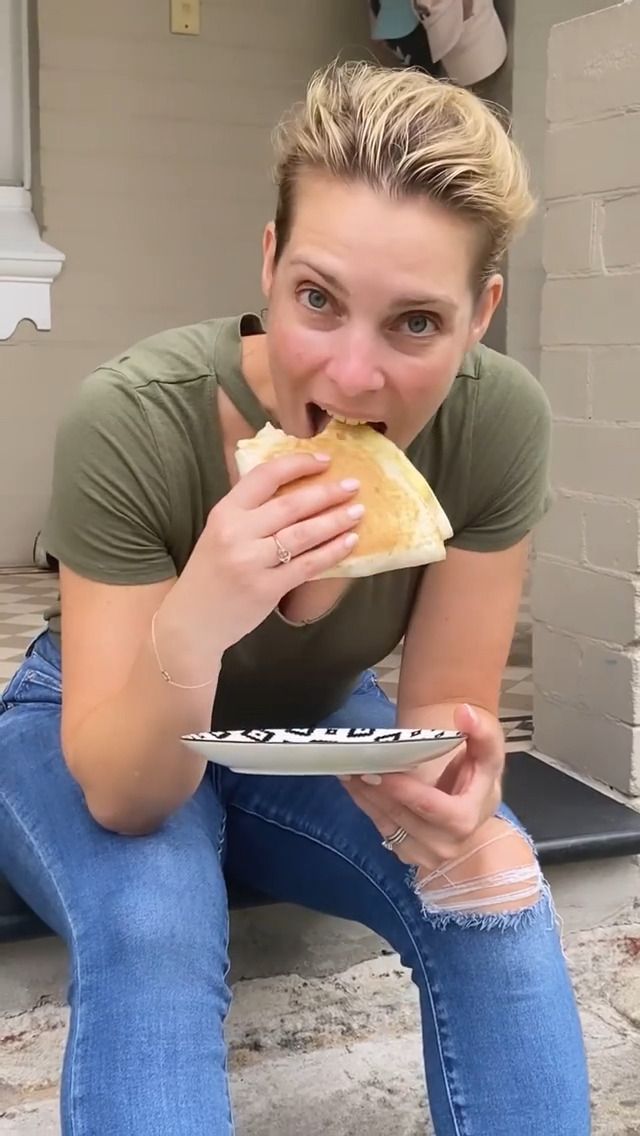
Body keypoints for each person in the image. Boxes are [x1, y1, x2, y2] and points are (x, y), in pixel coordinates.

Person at [0, 60, 590, 1135]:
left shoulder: (496, 423)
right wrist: (202, 608)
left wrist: (458, 794)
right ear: (270, 265)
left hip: (316, 724)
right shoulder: (133, 416)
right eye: (318, 299)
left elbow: (438, 724)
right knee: (155, 917)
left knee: (492, 878)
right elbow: (127, 796)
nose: (353, 377)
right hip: (97, 719)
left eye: (416, 322)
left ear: (480, 314)